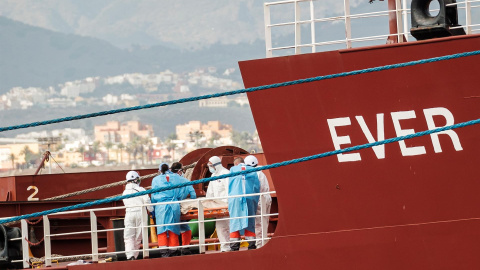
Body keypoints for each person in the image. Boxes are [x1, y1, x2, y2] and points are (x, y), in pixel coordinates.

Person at [228, 157, 260, 251]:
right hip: (250, 198)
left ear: (236, 164)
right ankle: (251, 245)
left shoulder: (233, 169)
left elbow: (230, 185)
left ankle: (234, 246)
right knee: (250, 221)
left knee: (235, 221)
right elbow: (256, 186)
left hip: (235, 199)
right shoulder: (252, 170)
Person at [151, 164, 183, 257]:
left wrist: (152, 208)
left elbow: (153, 195)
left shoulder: (156, 179)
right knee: (174, 229)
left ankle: (164, 252)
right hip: (174, 205)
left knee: (162, 230)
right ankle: (174, 251)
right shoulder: (176, 178)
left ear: (159, 170)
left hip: (161, 206)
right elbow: (181, 192)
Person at [122, 171, 153, 260]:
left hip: (129, 214)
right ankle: (134, 256)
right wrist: (151, 210)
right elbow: (147, 201)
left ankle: (130, 256)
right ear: (136, 180)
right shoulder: (141, 190)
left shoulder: (124, 192)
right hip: (140, 213)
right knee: (138, 236)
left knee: (128, 236)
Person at [244, 155, 272, 248]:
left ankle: (260, 245)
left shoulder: (254, 174)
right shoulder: (260, 173)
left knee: (258, 224)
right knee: (264, 223)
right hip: (265, 198)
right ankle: (262, 243)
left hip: (260, 200)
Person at [205, 156, 231, 252]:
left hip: (226, 205)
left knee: (228, 226)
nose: (210, 168)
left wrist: (228, 204)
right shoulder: (213, 176)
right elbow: (210, 192)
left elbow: (229, 190)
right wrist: (208, 204)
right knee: (220, 227)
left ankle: (230, 246)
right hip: (217, 206)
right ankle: (225, 247)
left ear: (216, 165)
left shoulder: (226, 174)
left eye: (211, 165)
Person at [171, 162, 197, 255]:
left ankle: (173, 250)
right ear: (179, 171)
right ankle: (185, 248)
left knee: (171, 228)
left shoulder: (167, 180)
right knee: (185, 227)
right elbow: (193, 195)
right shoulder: (185, 180)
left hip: (167, 207)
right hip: (180, 207)